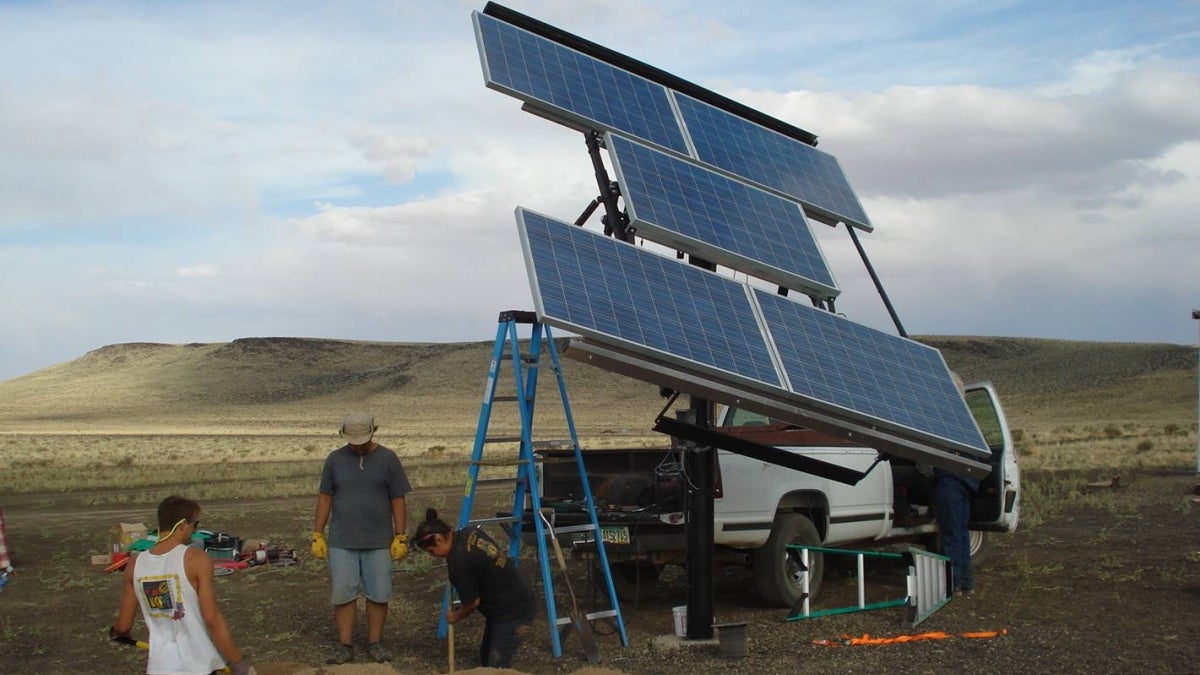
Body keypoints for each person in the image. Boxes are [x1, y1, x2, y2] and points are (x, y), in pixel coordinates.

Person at [111, 495, 255, 675]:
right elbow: (212, 619)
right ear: (182, 525)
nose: (195, 530)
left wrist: (117, 633)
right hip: (199, 667)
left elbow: (123, 626)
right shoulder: (196, 560)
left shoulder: (134, 565)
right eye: (195, 524)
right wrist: (238, 664)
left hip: (159, 669)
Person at [311, 412, 412, 664]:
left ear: (373, 432)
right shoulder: (334, 460)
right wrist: (317, 533)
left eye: (362, 440)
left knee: (379, 594)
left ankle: (375, 643)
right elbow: (325, 497)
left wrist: (400, 535)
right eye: (353, 441)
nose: (357, 445)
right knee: (343, 593)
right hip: (341, 541)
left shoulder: (388, 459)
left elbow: (398, 499)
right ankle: (345, 645)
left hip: (379, 541)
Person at [415, 508, 536, 670]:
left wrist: (455, 616)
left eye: (431, 551)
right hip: (512, 600)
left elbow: (472, 602)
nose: (433, 555)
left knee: (496, 667)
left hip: (513, 612)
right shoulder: (469, 533)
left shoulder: (458, 562)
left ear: (438, 539)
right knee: (486, 660)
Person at [936, 371, 982, 596]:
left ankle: (952, 584)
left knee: (952, 533)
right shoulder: (965, 416)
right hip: (966, 480)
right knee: (961, 532)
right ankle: (966, 583)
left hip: (951, 480)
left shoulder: (946, 417)